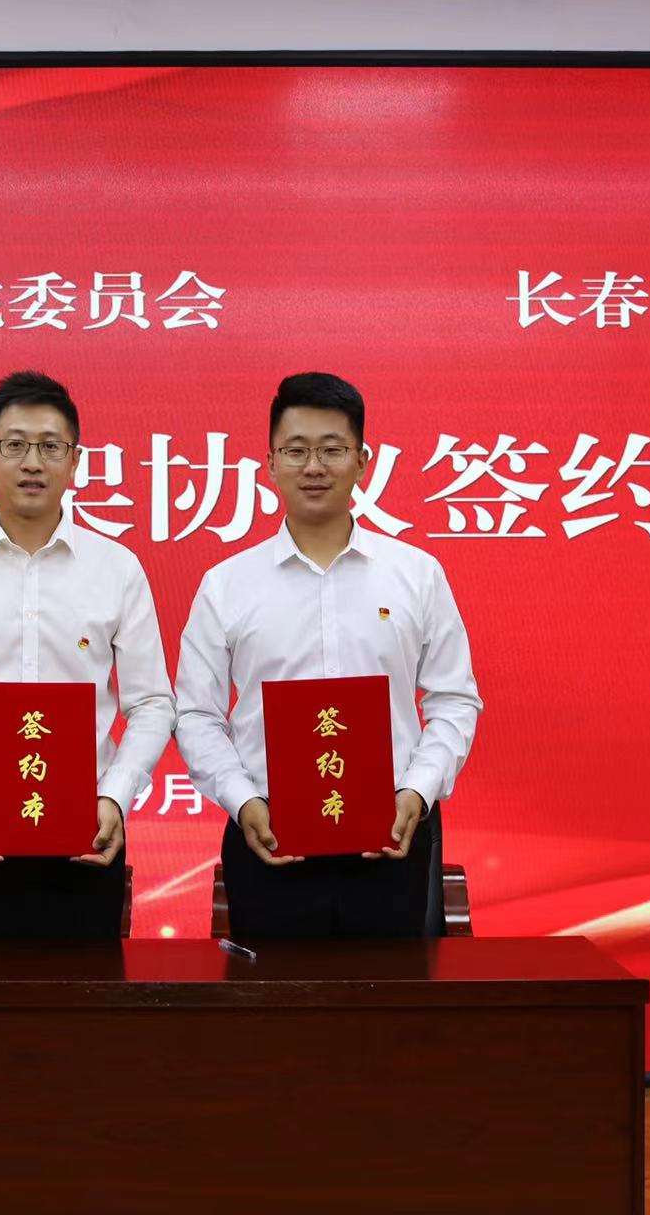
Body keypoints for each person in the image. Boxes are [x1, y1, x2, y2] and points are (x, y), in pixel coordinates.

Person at [175, 372, 482, 937]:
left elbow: (454, 699)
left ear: (361, 461)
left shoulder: (416, 574)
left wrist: (418, 789)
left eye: (332, 450)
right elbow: (196, 713)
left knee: (395, 993)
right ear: (270, 463)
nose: (313, 467)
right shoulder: (226, 584)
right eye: (296, 451)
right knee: (268, 995)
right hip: (267, 840)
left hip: (392, 842)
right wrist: (244, 801)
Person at [0, 370, 175, 936]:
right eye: (15, 445)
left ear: (75, 461)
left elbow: (152, 704)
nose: (33, 463)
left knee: (86, 988)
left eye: (50, 447)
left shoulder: (117, 569)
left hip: (85, 826)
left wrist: (116, 797)